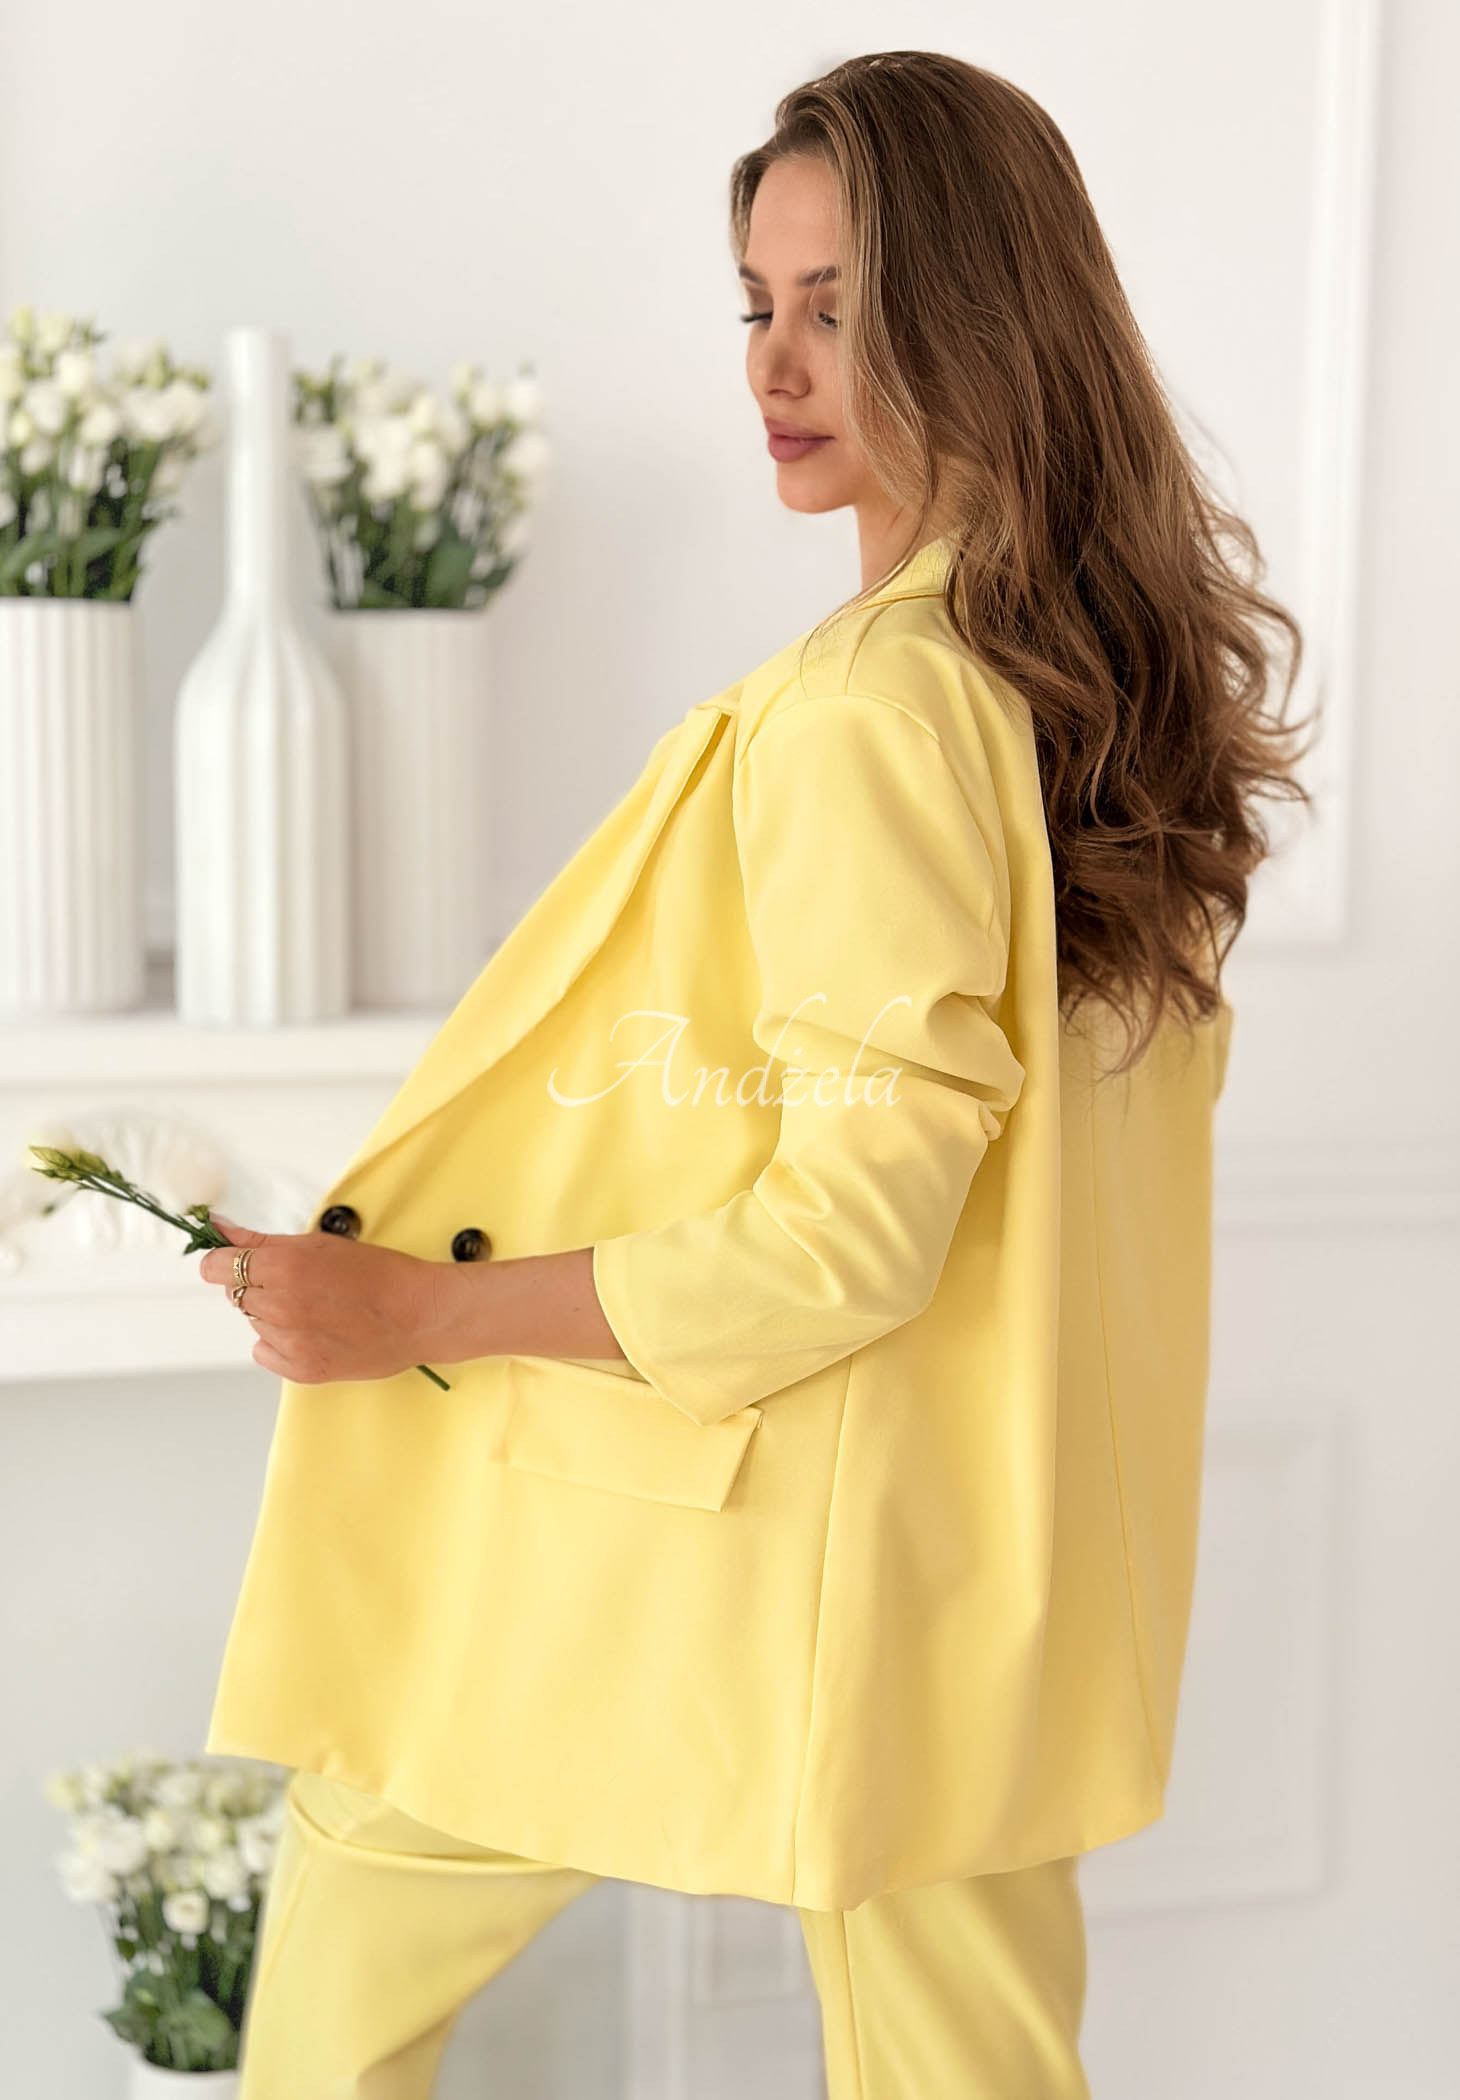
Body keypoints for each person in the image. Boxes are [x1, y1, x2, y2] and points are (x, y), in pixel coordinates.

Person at [197, 51, 1309, 2099]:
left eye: (835, 309)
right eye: (755, 303)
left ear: (975, 324)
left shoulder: (874, 710)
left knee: (361, 1896)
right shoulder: (1075, 701)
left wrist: (420, 1310)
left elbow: (848, 1235)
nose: (772, 368)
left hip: (782, 1541)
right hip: (984, 1567)